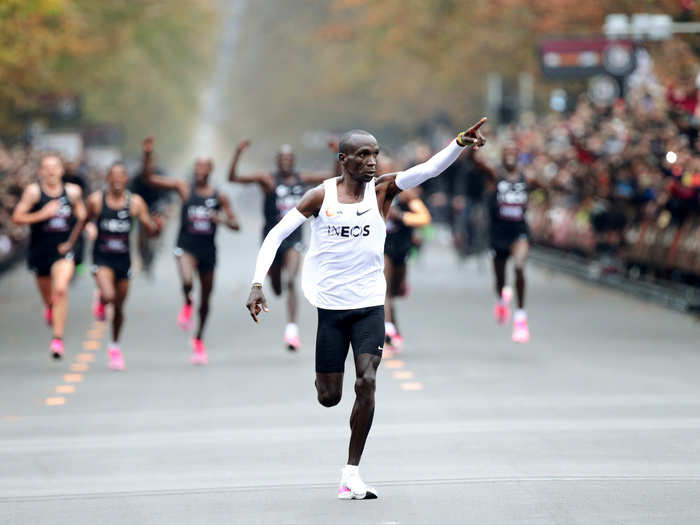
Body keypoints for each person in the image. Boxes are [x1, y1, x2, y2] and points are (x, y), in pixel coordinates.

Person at [246, 119, 487, 499]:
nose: (372, 161)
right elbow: (276, 235)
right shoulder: (319, 198)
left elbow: (427, 170)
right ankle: (326, 382)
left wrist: (459, 143)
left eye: (374, 153)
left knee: (368, 380)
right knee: (330, 396)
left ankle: (351, 473)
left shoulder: (383, 191)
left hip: (370, 305)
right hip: (330, 307)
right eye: (362, 155)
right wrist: (258, 283)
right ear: (343, 160)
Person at [228, 140, 338, 351]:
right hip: (273, 238)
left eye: (289, 159)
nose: (286, 162)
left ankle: (292, 330)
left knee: (290, 281)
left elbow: (332, 180)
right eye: (282, 159)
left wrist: (335, 155)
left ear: (293, 161)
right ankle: (272, 275)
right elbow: (233, 178)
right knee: (278, 288)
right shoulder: (267, 180)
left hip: (295, 238)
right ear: (277, 162)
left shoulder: (301, 179)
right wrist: (237, 153)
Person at [144, 137, 240, 364]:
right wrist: (147, 155)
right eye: (196, 167)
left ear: (210, 170)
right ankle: (187, 301)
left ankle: (199, 339)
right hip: (185, 246)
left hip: (208, 251)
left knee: (206, 300)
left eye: (203, 167)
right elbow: (149, 179)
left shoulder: (219, 196)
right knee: (187, 281)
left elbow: (236, 225)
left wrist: (222, 220)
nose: (199, 171)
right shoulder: (184, 189)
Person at [84, 161, 161, 370]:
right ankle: (101, 296)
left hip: (123, 260)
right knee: (109, 296)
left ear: (126, 179)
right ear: (107, 178)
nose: (117, 179)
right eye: (113, 175)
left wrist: (156, 227)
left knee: (118, 306)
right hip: (102, 258)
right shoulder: (96, 201)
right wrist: (80, 236)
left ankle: (114, 346)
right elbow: (83, 221)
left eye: (121, 175)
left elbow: (150, 229)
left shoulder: (135, 203)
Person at [11, 154, 87, 359]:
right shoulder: (33, 192)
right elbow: (17, 217)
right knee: (50, 299)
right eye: (47, 167)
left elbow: (82, 216)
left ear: (62, 170)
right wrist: (42, 215)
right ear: (41, 172)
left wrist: (79, 235)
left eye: (55, 167)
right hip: (40, 250)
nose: (51, 171)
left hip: (63, 250)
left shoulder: (72, 192)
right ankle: (50, 309)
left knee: (60, 288)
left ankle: (57, 340)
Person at [472, 142, 534, 343]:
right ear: (502, 156)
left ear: (518, 156)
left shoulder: (527, 178)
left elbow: (547, 187)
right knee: (500, 279)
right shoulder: (494, 175)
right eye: (506, 152)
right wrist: (472, 149)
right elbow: (477, 165)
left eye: (513, 152)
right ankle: (501, 298)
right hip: (498, 233)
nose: (510, 155)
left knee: (518, 267)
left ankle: (521, 318)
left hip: (519, 232)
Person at [380, 156, 431, 352]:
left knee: (394, 292)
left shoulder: (405, 195)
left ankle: (393, 327)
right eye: (379, 172)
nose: (382, 176)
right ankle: (389, 329)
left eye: (386, 171)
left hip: (401, 247)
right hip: (382, 247)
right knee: (384, 290)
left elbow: (424, 218)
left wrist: (400, 216)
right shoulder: (372, 193)